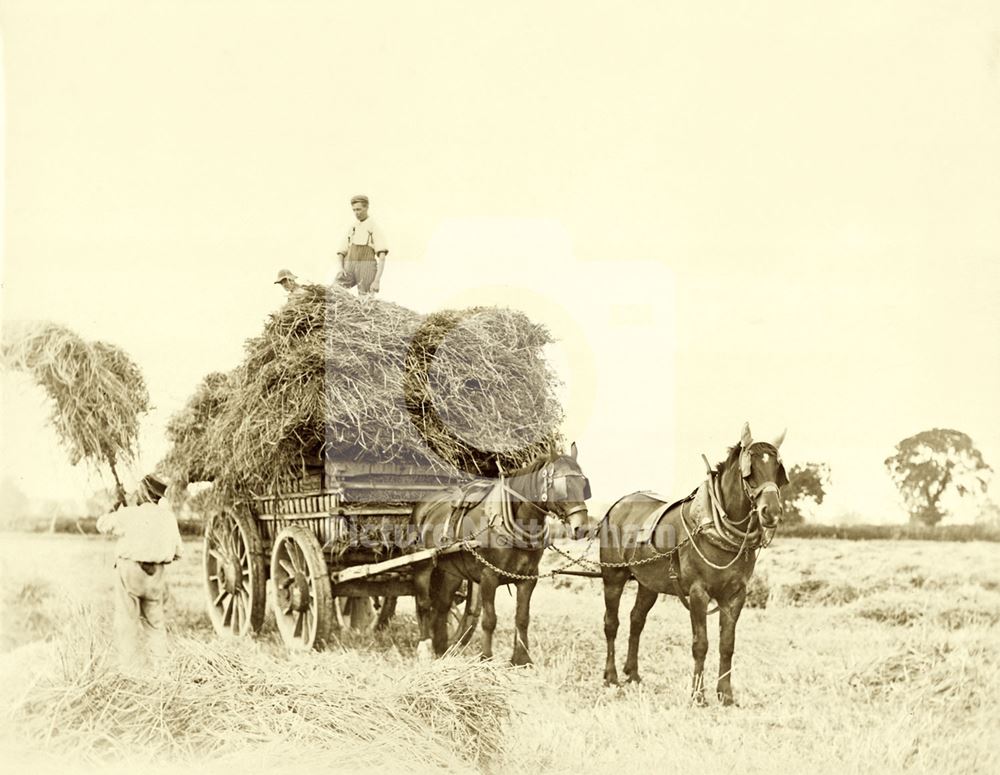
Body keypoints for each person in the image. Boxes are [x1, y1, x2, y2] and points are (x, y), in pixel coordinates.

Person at [96, 474, 183, 675]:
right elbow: (179, 552)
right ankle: (162, 673)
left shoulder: (130, 514)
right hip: (156, 576)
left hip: (130, 572)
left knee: (127, 621)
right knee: (156, 625)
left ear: (142, 493)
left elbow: (102, 525)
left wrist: (114, 507)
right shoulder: (168, 518)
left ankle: (130, 671)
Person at [335, 195, 389, 295]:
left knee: (365, 302)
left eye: (359, 209)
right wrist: (341, 269)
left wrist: (377, 281)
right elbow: (341, 252)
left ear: (366, 207)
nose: (356, 213)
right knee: (335, 290)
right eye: (354, 210)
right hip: (350, 267)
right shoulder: (352, 228)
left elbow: (382, 256)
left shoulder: (373, 227)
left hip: (367, 268)